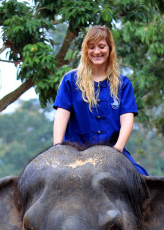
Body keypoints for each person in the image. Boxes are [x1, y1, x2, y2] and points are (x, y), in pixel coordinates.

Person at [53, 25, 148, 175]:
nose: (97, 51)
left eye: (101, 46)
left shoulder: (123, 84)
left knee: (142, 179)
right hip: (74, 151)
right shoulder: (70, 81)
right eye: (92, 47)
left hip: (112, 151)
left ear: (110, 49)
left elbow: (127, 120)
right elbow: (61, 115)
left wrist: (118, 148)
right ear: (86, 50)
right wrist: (57, 147)